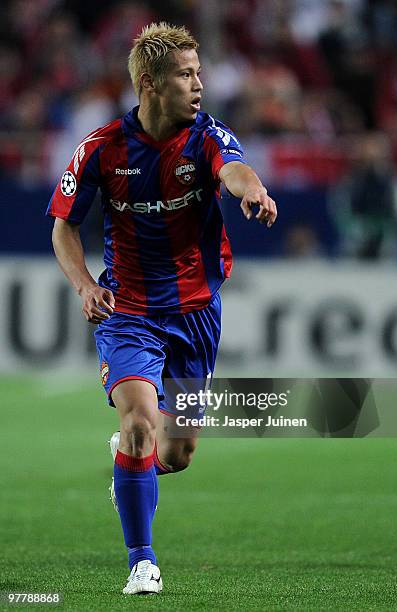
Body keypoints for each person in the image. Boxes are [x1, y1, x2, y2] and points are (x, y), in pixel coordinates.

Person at [47, 22, 277, 596]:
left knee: (176, 452)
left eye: (199, 73)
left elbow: (235, 168)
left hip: (196, 311)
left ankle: (136, 462)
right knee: (140, 423)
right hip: (128, 310)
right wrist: (82, 286)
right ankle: (142, 561)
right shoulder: (100, 147)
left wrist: (252, 191)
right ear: (149, 83)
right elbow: (63, 228)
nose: (199, 85)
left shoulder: (207, 136)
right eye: (186, 75)